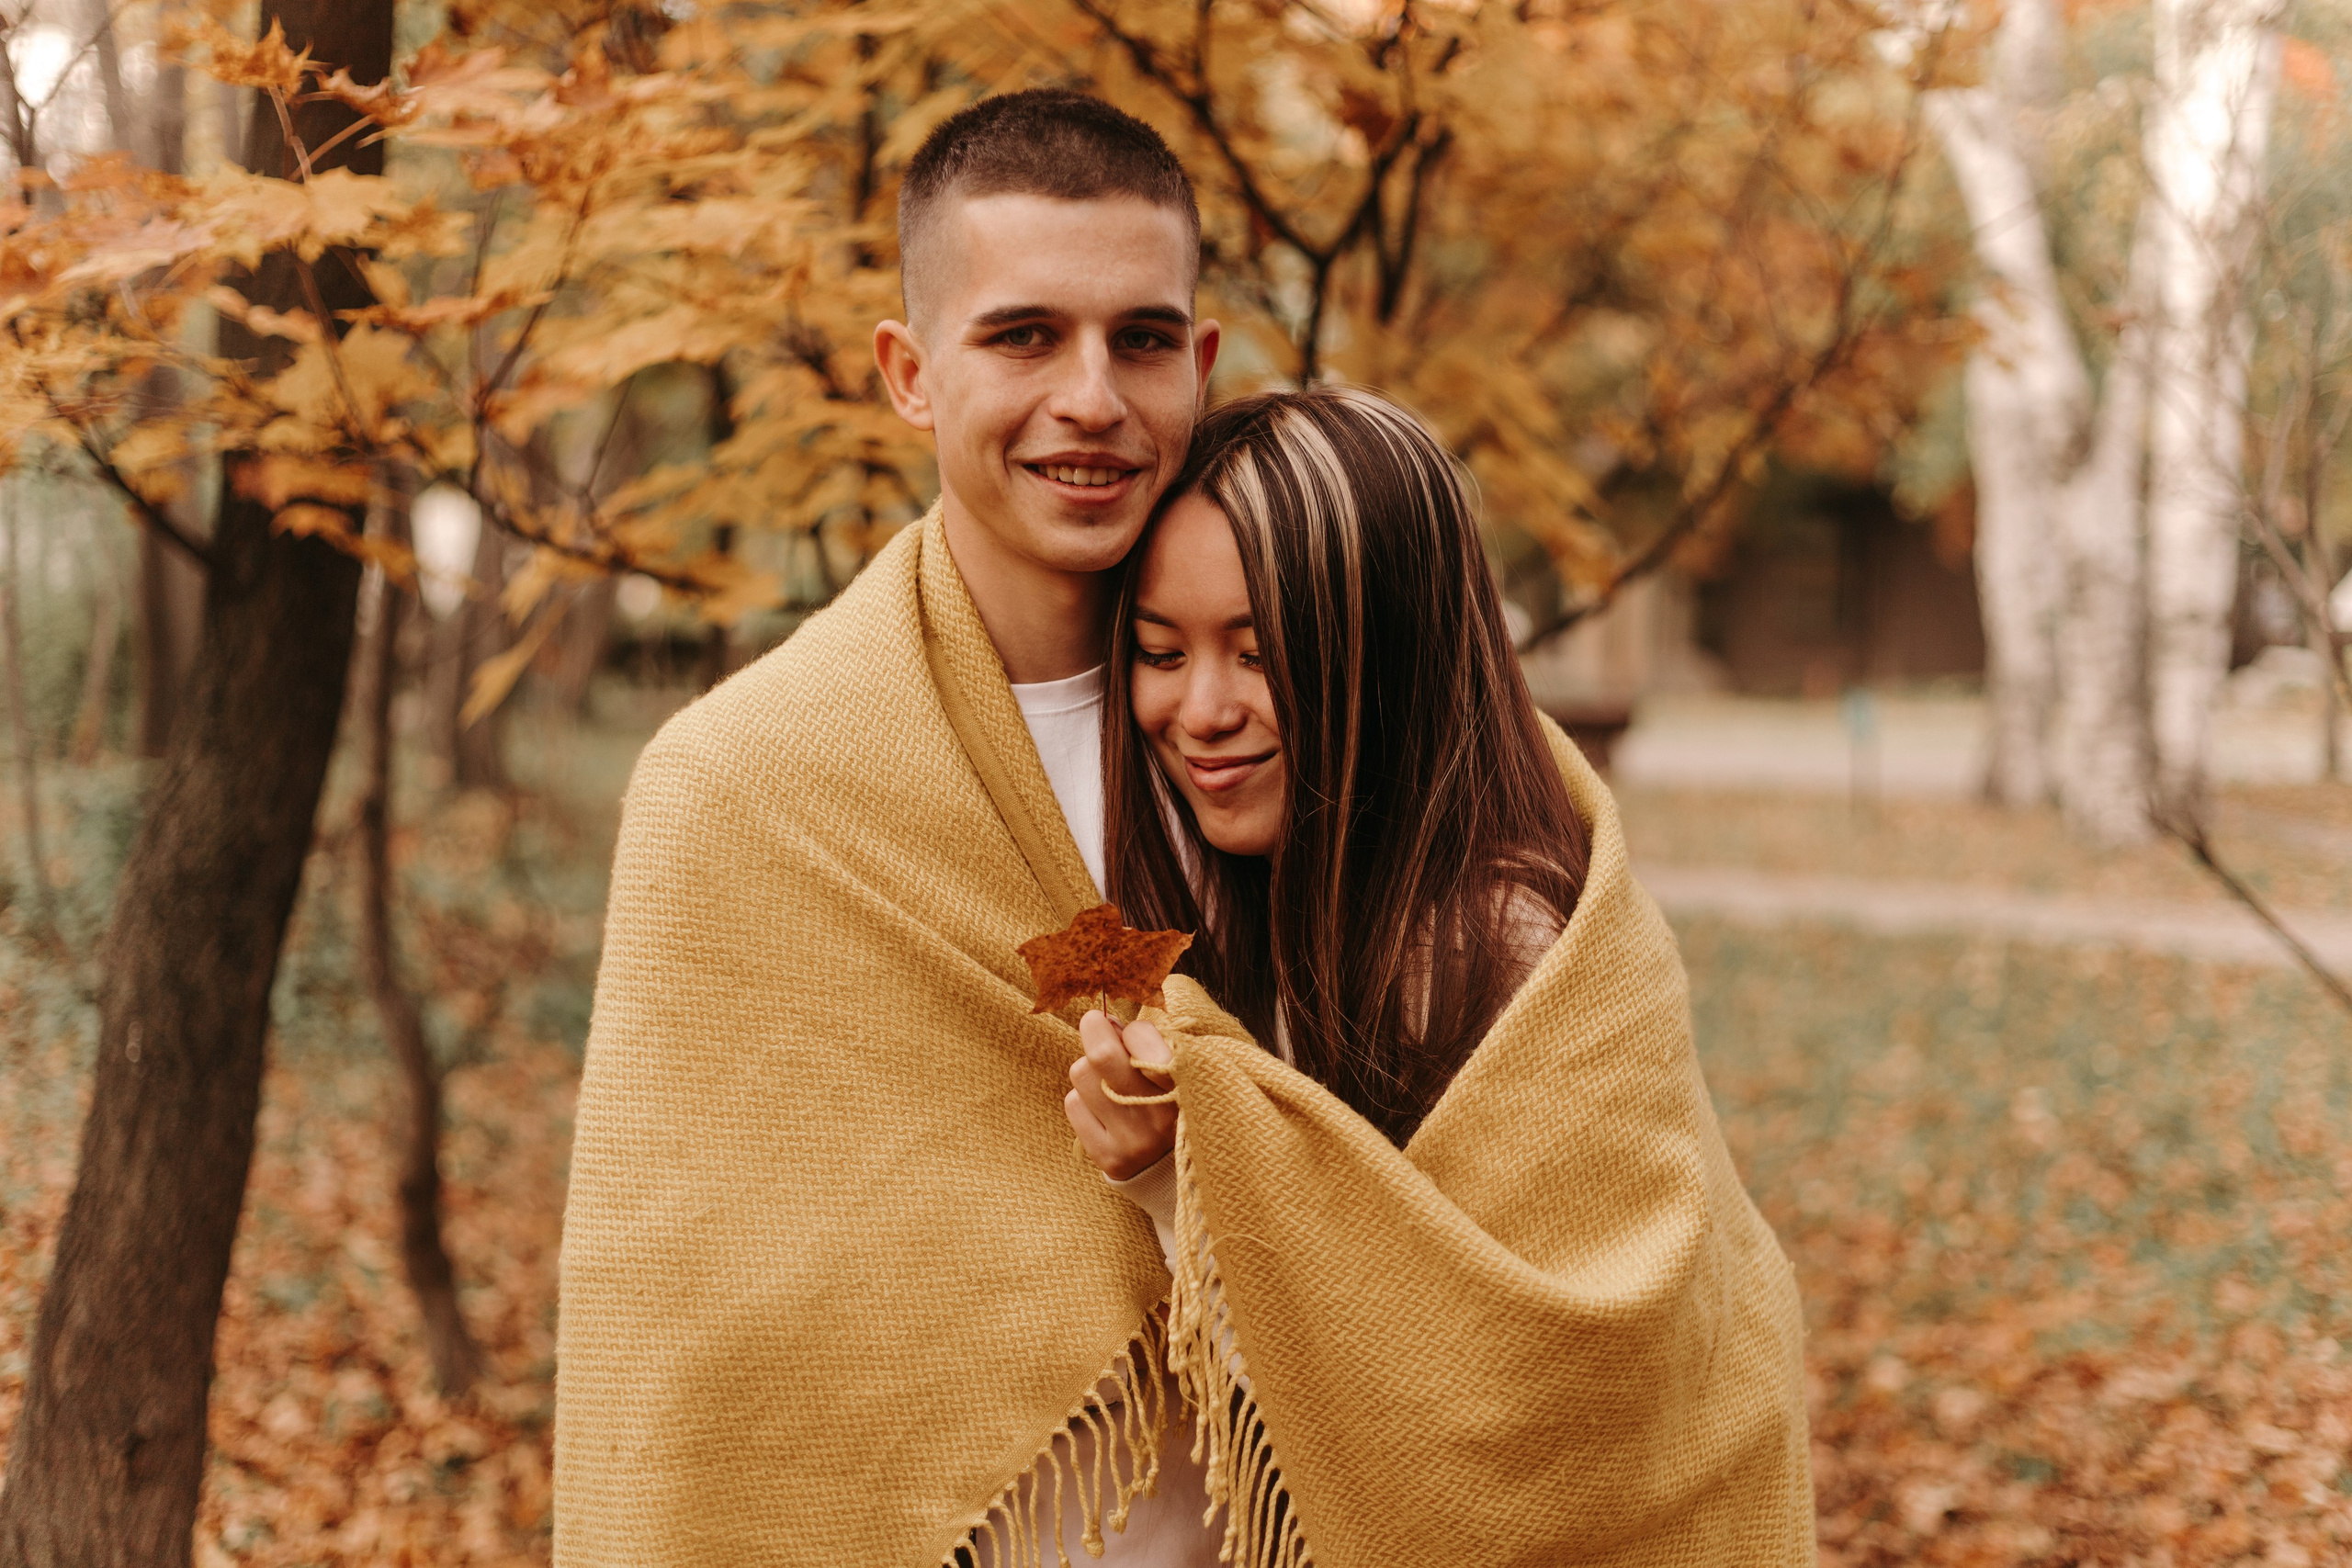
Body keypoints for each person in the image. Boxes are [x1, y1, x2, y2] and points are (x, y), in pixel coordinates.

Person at [555, 90, 1230, 1565]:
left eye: (1143, 337)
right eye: (1023, 335)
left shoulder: (1317, 731)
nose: (1093, 398)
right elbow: (675, 1353)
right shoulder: (739, 787)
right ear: (910, 374)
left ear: (1204, 364)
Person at [1058, 388, 1816, 1566]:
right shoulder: (1250, 900)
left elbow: (1463, 1419)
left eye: (1260, 655)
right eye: (1159, 653)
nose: (1198, 710)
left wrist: (1173, 1175)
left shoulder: (1491, 945)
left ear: (1391, 656)